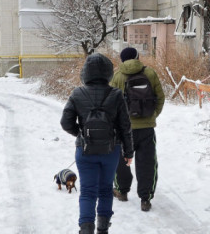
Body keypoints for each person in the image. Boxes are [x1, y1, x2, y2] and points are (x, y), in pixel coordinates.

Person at [61, 53, 134, 234]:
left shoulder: (77, 93)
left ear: (85, 72)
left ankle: (86, 229)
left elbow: (65, 122)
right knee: (105, 190)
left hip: (85, 151)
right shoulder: (116, 94)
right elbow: (126, 126)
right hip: (111, 151)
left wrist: (80, 133)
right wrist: (129, 152)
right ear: (108, 72)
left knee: (87, 191)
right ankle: (103, 229)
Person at [110, 47, 165, 212]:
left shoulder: (117, 76)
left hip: (124, 130)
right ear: (137, 57)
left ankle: (121, 191)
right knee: (147, 162)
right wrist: (153, 115)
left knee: (121, 161)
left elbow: (112, 103)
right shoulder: (150, 73)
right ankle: (145, 199)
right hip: (146, 129)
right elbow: (160, 97)